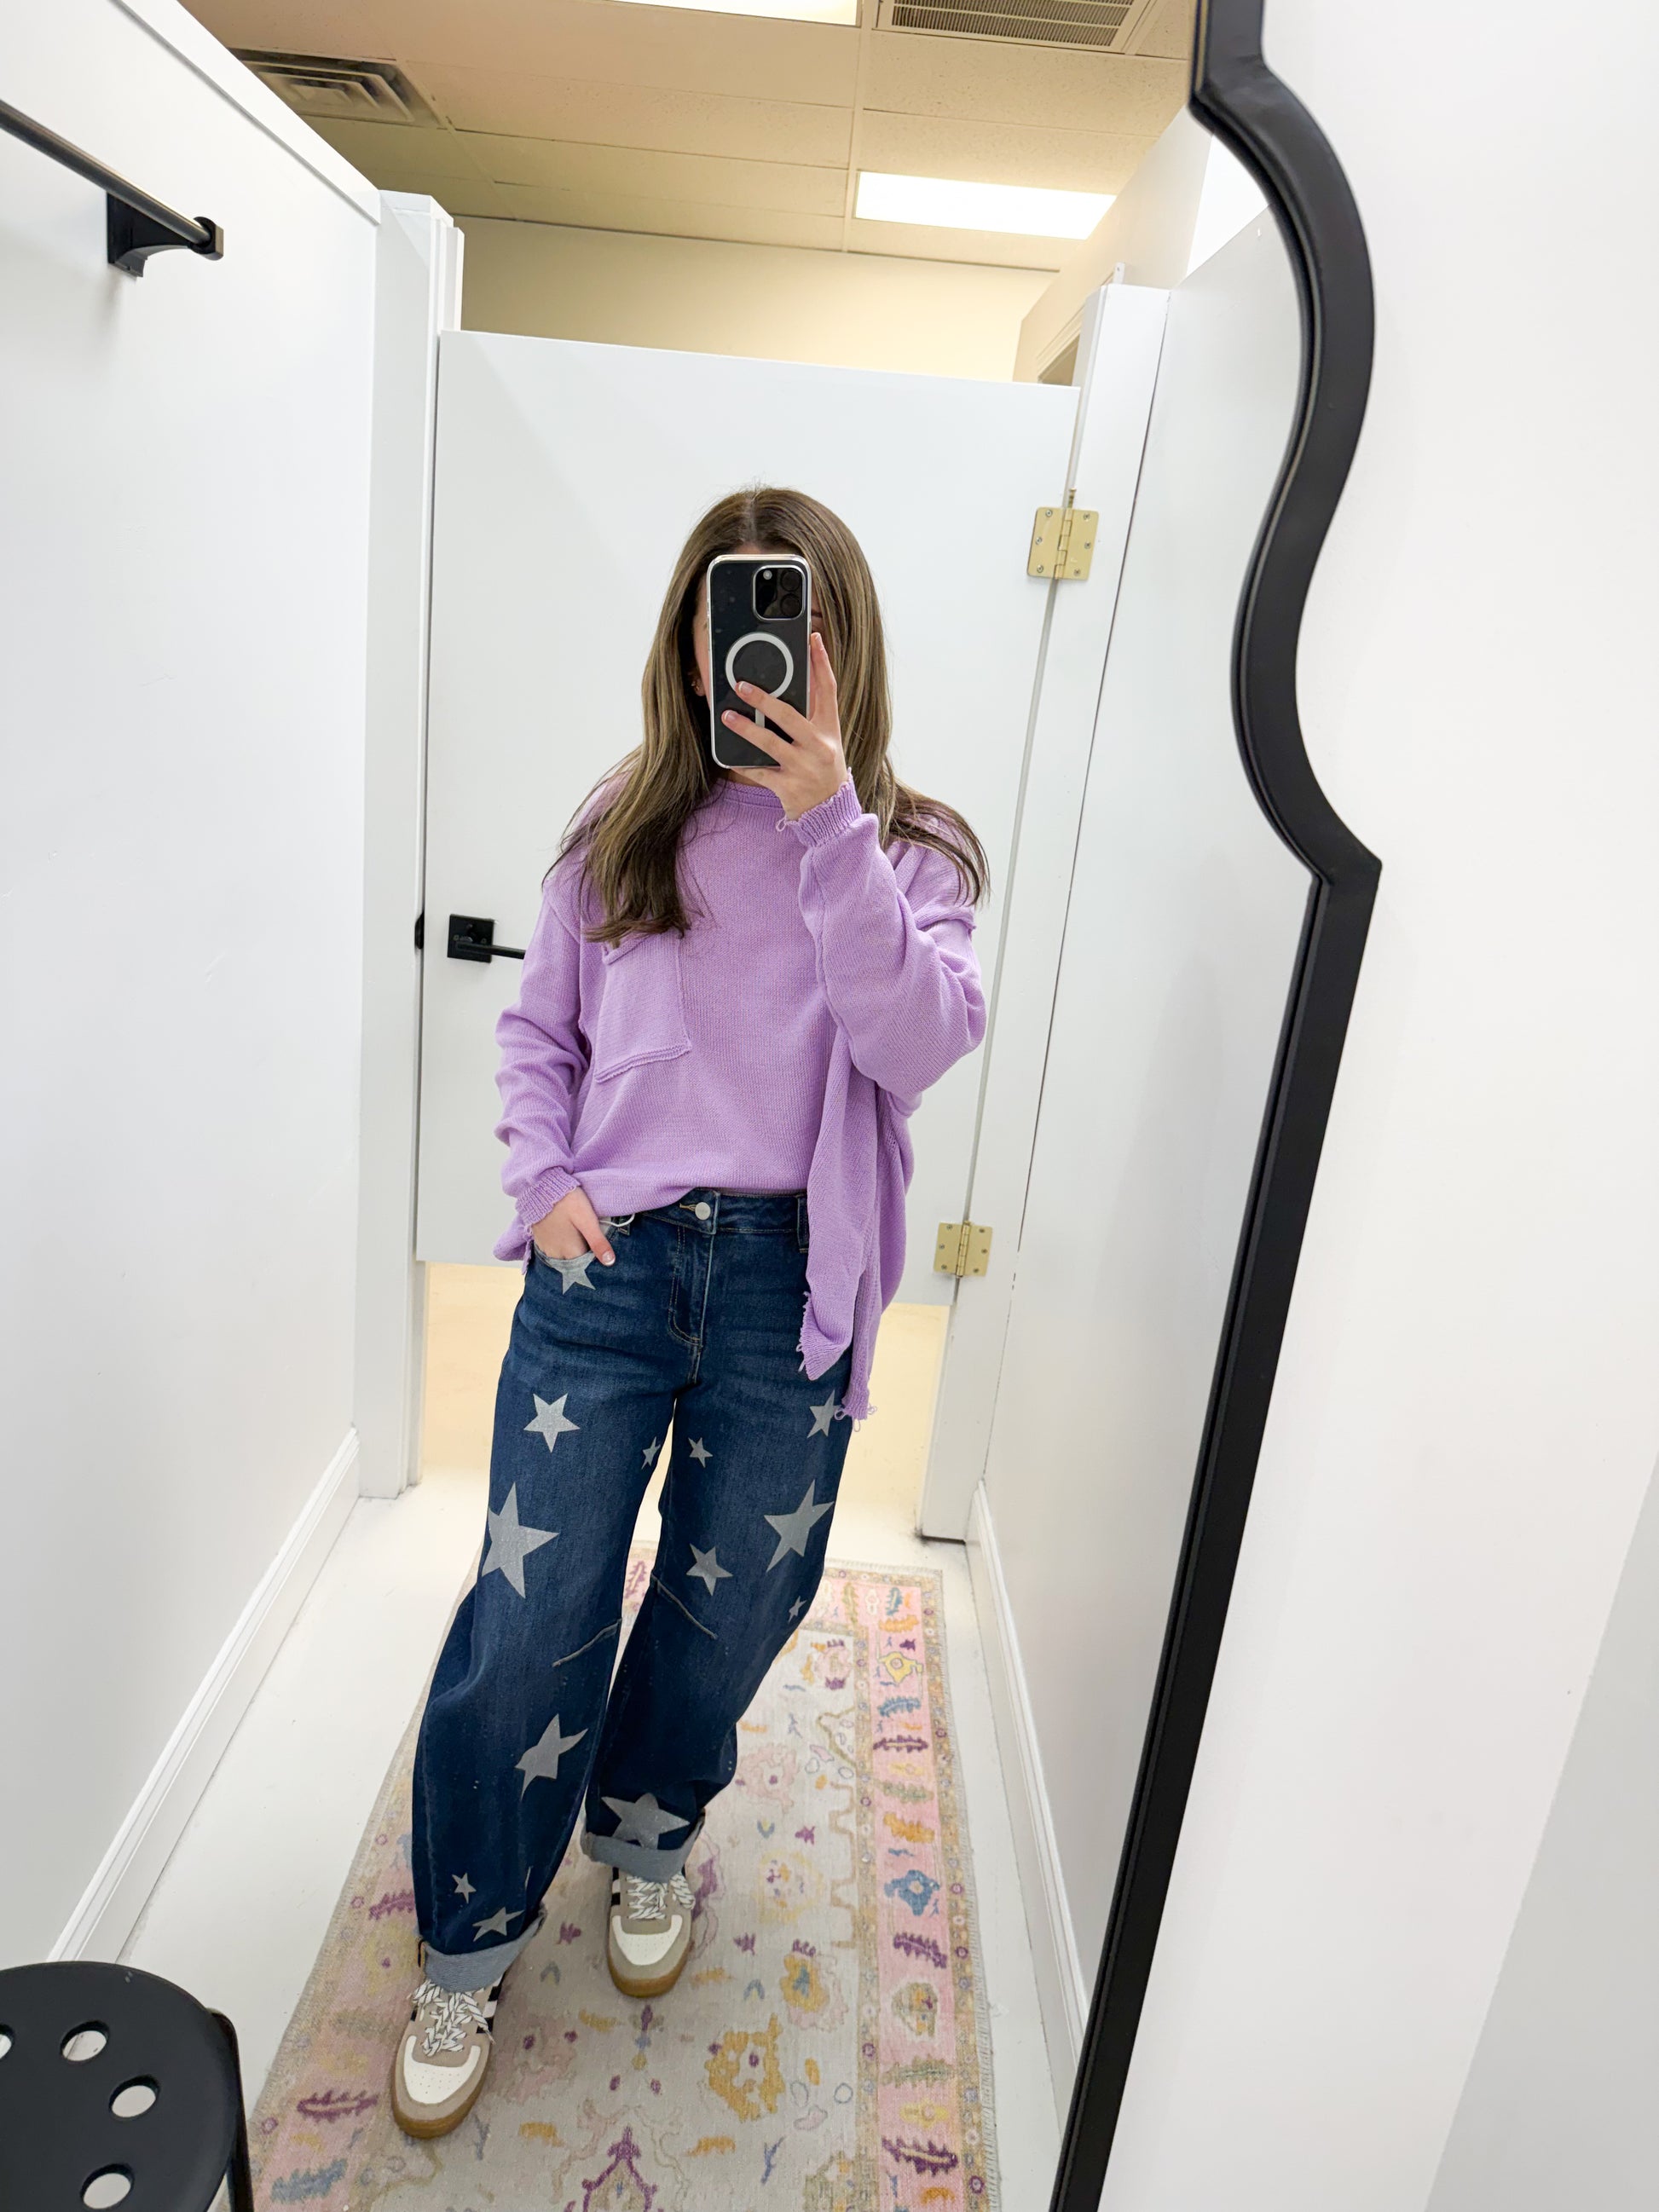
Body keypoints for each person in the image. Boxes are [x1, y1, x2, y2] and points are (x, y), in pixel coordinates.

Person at [389, 486, 988, 2140]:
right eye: (733, 624)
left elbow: (917, 1043)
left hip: (791, 1280)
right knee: (535, 1608)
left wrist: (828, 822)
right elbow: (540, 1029)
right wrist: (539, 1178)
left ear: (841, 646)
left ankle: (645, 1827)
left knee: (737, 1604)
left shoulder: (910, 849)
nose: (763, 662)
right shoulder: (625, 820)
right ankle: (469, 1932)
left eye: (797, 625)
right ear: (692, 643)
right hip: (611, 1266)